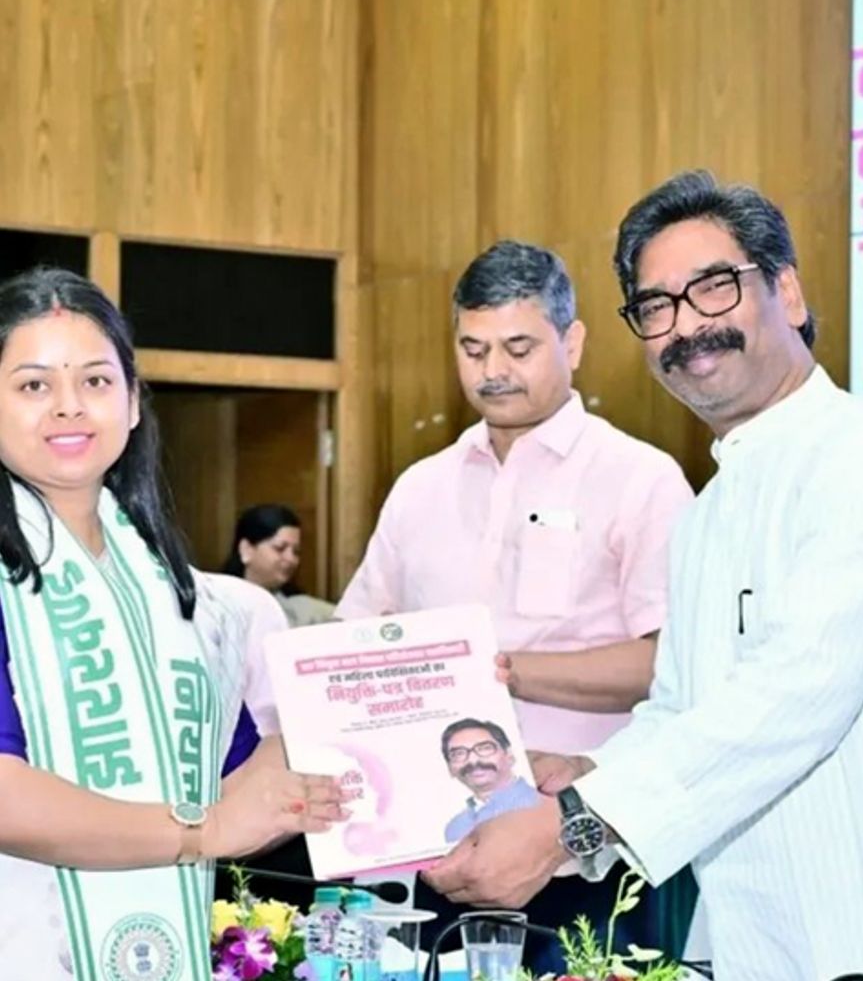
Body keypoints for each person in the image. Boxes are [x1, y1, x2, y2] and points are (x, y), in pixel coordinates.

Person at [423, 172, 863, 981]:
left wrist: (574, 825)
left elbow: (795, 694)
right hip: (761, 937)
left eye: (714, 287)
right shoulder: (707, 515)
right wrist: (589, 774)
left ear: (787, 292)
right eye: (655, 306)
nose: (686, 325)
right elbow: (681, 710)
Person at [337, 240, 695, 966]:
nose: (492, 371)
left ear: (573, 342)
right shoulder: (419, 488)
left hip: (581, 854)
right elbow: (355, 644)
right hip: (436, 851)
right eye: (472, 349)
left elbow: (677, 666)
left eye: (518, 348)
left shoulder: (641, 479)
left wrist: (495, 671)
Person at [0, 268, 340, 979]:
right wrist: (200, 831)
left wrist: (328, 745)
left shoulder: (182, 595)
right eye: (33, 385)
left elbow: (231, 785)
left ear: (132, 403)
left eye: (96, 380)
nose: (69, 406)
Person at [222, 502, 336, 626]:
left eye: (296, 551)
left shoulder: (302, 609)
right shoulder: (218, 603)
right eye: (280, 548)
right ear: (246, 549)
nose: (291, 559)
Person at [441, 718, 539, 843]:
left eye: (485, 748)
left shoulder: (540, 805)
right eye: (459, 754)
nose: (473, 760)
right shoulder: (455, 828)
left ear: (509, 755)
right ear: (450, 768)